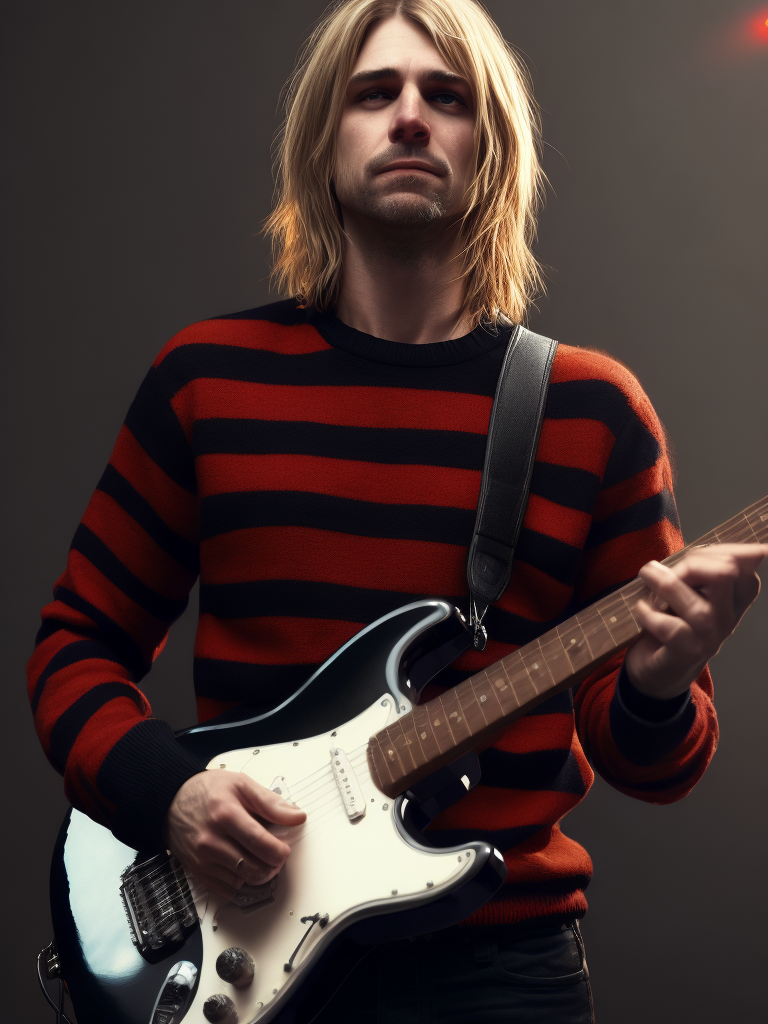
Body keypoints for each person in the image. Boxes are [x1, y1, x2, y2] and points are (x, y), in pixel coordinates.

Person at [27, 1, 766, 1021]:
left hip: (502, 973)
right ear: (323, 142)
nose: (410, 117)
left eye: (447, 96)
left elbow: (658, 764)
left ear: (491, 147)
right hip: (245, 942)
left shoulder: (591, 409)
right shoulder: (205, 379)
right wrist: (170, 792)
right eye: (375, 93)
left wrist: (659, 681)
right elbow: (73, 647)